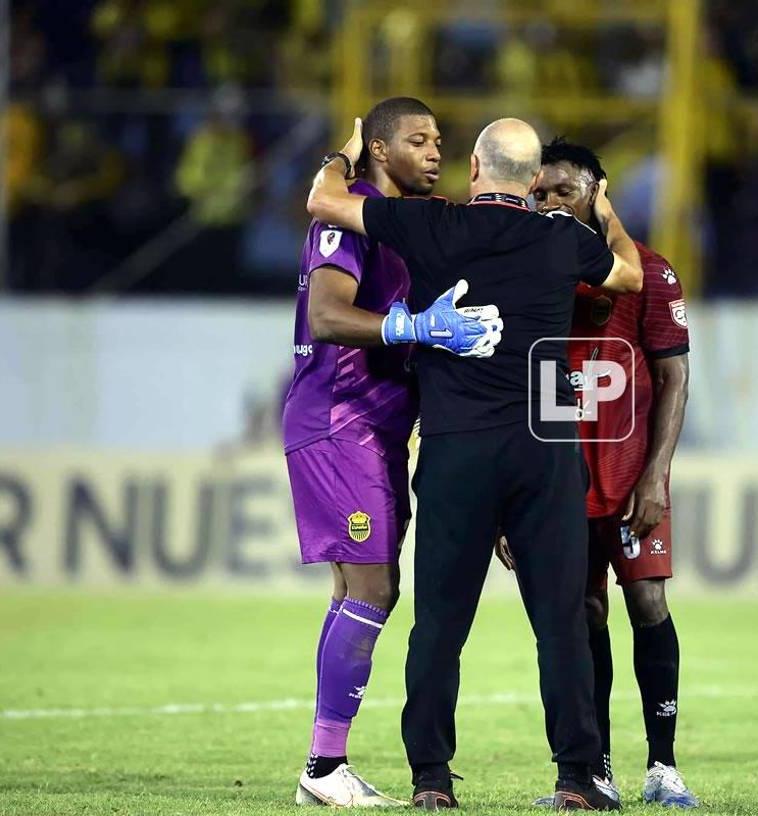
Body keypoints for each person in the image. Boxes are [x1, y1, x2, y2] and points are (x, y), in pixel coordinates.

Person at [307, 116, 643, 811]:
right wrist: (605, 210)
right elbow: (630, 274)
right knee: (561, 623)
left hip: (458, 448)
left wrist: (342, 151)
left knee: (440, 625)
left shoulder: (434, 225)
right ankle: (577, 780)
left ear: (477, 171)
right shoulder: (563, 237)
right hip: (546, 452)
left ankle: (431, 781)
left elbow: (324, 202)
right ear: (535, 181)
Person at [283, 96, 501, 808]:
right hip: (338, 418)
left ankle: (325, 763)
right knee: (373, 589)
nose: (435, 152)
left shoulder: (393, 221)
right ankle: (323, 767)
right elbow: (326, 314)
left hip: (371, 427)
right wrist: (413, 327)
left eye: (440, 139)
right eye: (417, 140)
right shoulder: (349, 214)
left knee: (363, 590)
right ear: (380, 151)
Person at [497, 138, 697, 808]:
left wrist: (654, 477)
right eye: (540, 191)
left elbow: (674, 378)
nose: (549, 202)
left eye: (565, 190)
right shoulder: (523, 273)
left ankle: (663, 766)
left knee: (647, 603)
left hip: (629, 477)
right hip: (558, 485)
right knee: (582, 616)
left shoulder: (650, 274)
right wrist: (509, 500)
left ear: (597, 193)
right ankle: (597, 767)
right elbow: (512, 388)